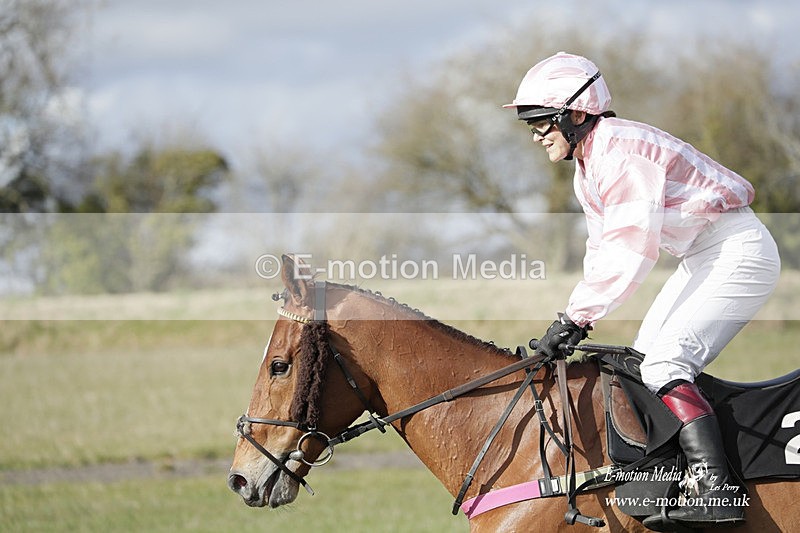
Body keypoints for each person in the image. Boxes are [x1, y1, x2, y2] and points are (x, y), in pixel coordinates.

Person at [505, 52, 780, 530]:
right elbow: (601, 249)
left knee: (665, 364)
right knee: (641, 361)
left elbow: (631, 252)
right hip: (704, 254)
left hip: (739, 251)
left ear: (575, 114)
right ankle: (675, 474)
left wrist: (576, 319)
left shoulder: (619, 155)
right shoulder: (588, 165)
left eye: (541, 123)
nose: (535, 135)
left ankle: (718, 490)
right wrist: (572, 315)